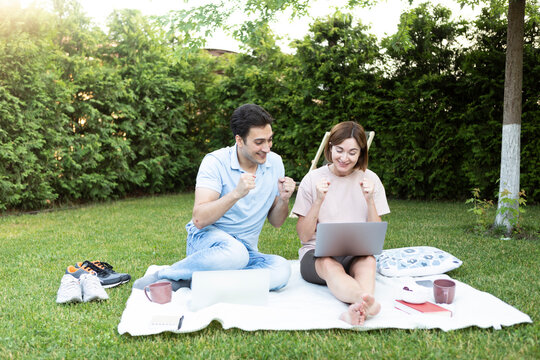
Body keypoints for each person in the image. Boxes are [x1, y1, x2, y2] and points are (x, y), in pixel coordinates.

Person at [133, 104, 295, 291]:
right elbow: (199, 219)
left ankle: (199, 280)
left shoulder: (275, 163)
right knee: (236, 254)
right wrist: (236, 194)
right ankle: (164, 276)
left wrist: (283, 199)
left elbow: (276, 222)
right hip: (209, 244)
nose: (267, 148)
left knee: (282, 269)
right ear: (239, 140)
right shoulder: (215, 162)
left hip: (247, 251)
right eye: (259, 142)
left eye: (270, 140)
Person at [291, 121, 390, 325]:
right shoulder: (312, 179)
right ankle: (365, 303)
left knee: (368, 261)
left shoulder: (370, 179)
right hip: (316, 254)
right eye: (339, 150)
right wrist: (318, 200)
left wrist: (370, 200)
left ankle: (355, 309)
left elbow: (375, 233)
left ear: (361, 153)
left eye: (352, 152)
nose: (344, 158)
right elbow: (303, 235)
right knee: (329, 263)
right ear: (330, 148)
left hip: (355, 253)